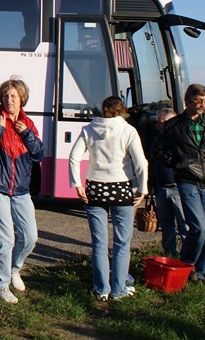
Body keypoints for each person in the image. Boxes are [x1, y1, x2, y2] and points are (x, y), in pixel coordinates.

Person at [69, 96, 148, 301]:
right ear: (122, 111)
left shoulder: (88, 129)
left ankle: (101, 289)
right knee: (122, 243)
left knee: (99, 243)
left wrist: (77, 184)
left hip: (95, 188)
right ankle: (119, 288)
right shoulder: (129, 130)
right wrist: (142, 188)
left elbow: (74, 157)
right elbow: (140, 162)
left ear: (103, 110)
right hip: (121, 188)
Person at [0, 77, 44, 304]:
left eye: (13, 96)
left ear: (22, 98)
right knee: (6, 240)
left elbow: (39, 154)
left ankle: (15, 268)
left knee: (30, 237)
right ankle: (0, 285)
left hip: (21, 189)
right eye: (5, 95)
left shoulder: (27, 123)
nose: (9, 99)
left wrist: (26, 134)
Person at [158, 83, 205, 282]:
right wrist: (177, 164)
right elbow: (158, 150)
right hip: (187, 181)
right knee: (199, 227)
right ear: (188, 101)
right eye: (199, 101)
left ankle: (199, 273)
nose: (203, 105)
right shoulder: (174, 126)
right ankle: (185, 265)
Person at [149, 108, 188, 258]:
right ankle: (170, 254)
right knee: (166, 225)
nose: (158, 126)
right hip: (161, 188)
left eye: (162, 123)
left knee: (184, 225)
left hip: (178, 188)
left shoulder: (182, 139)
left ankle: (188, 257)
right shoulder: (156, 140)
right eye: (157, 123)